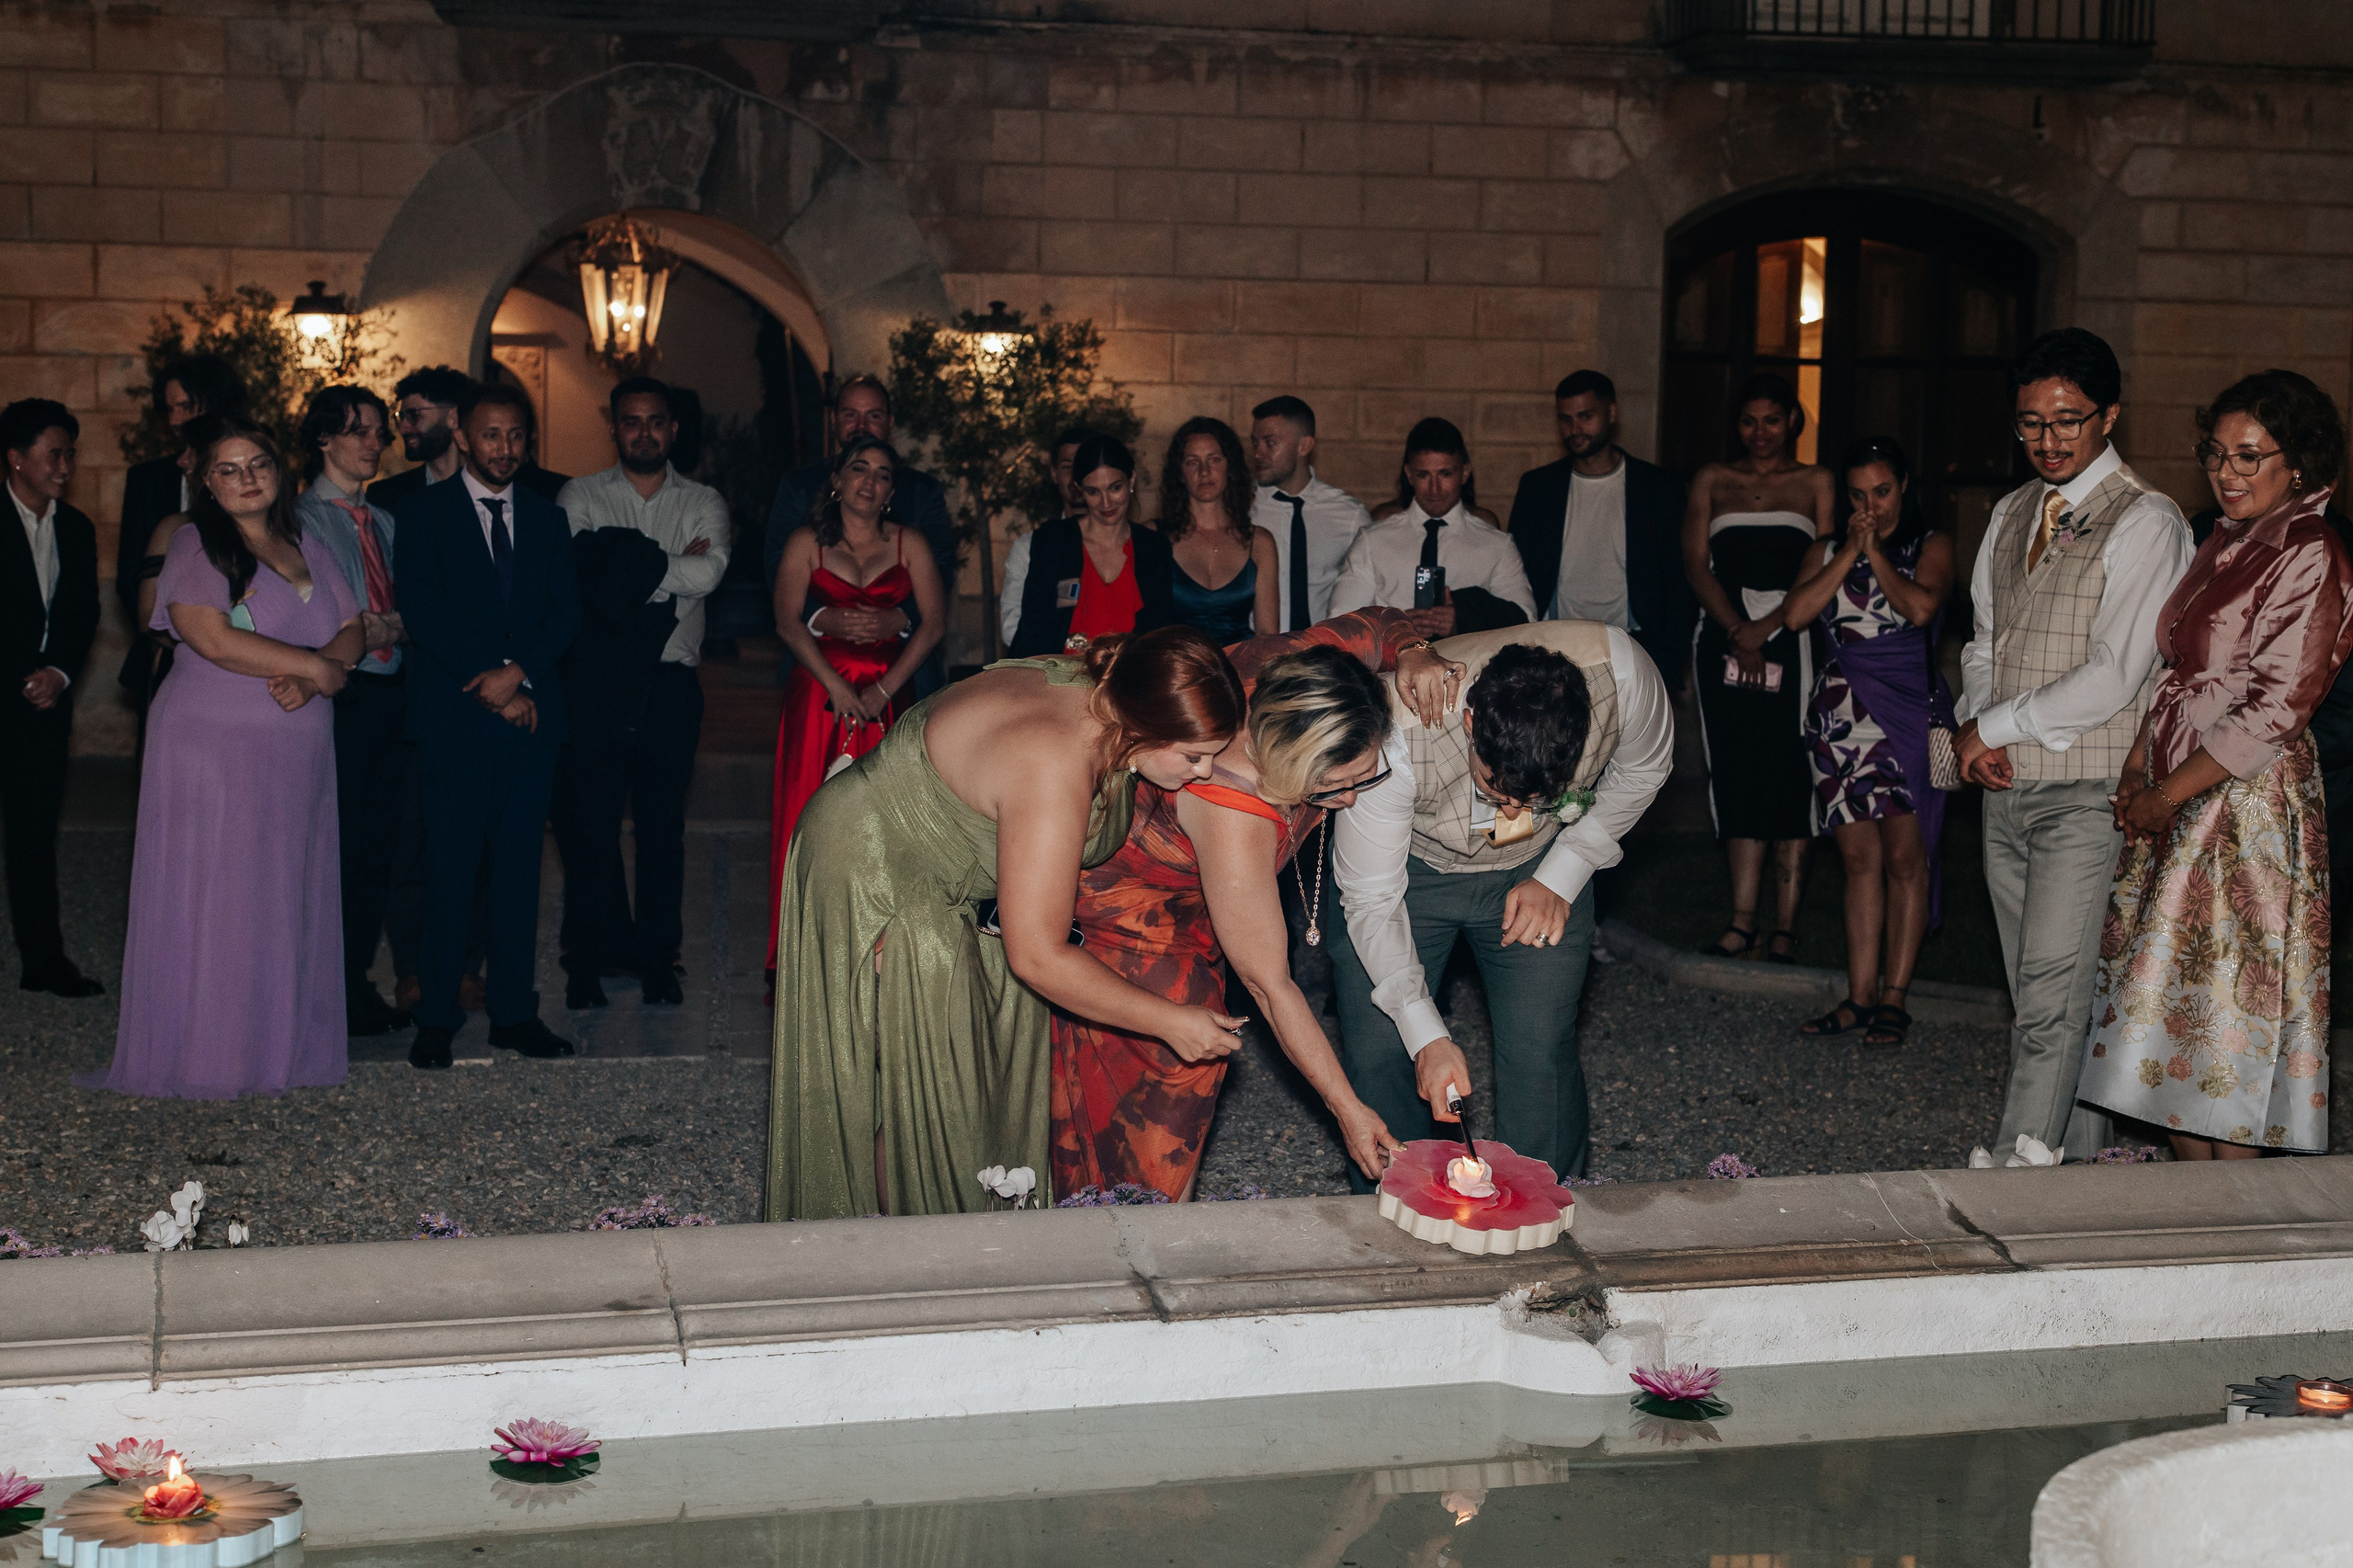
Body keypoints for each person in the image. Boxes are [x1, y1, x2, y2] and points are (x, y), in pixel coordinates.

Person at [766, 626, 1251, 1221]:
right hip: (876, 870)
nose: (1203, 773)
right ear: (1144, 722)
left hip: (937, 874)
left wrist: (1402, 647)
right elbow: (1039, 956)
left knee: (958, 1081)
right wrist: (1171, 1022)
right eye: (1193, 756)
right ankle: (908, 1259)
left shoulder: (1108, 684)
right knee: (918, 1093)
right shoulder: (1054, 763)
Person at [1051, 611, 1464, 1200]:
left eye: (1364, 779)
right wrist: (1347, 1109)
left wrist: (1416, 649)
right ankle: (1135, 1216)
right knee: (1178, 1066)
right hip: (1137, 899)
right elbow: (1271, 985)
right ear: (1285, 759)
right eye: (1334, 784)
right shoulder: (1234, 811)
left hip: (1212, 877)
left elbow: (1376, 626)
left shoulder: (1303, 667)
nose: (1348, 801)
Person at [2077, 370, 2353, 1160]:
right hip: (2174, 788)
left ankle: (2237, 1229)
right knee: (2164, 1018)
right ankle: (2189, 1215)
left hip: (2241, 801)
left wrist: (2167, 793)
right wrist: (2137, 771)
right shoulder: (2224, 538)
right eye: (2216, 454)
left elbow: (2277, 706)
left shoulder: (2310, 550)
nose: (2227, 473)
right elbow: (2174, 673)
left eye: (2249, 457)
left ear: (2296, 464)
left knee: (2227, 1023)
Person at [1955, 327, 2194, 1167]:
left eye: (2067, 421)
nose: (2048, 441)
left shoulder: (2148, 520)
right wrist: (1978, 719)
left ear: (2109, 415)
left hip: (2088, 791)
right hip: (2007, 789)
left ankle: (2015, 1168)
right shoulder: (2011, 511)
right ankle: (2087, 1171)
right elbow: (1985, 637)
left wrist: (1997, 725)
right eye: (2031, 423)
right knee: (2041, 995)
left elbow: (2117, 672)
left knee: (2052, 1000)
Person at [1329, 622, 1676, 1182]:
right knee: (1380, 1048)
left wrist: (1563, 873)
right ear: (1469, 722)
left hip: (1541, 866)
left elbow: (1644, 769)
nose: (1513, 807)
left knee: (1540, 1049)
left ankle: (1542, 1204)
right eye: (1497, 789)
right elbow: (1372, 898)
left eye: (1534, 795)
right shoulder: (1393, 729)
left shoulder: (1627, 679)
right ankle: (1394, 1202)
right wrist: (1429, 1037)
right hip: (1413, 874)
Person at [84, 417, 363, 1096]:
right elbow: (207, 638)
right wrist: (315, 667)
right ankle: (212, 1054)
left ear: (279, 470)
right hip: (213, 745)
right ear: (206, 482)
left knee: (283, 892)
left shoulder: (307, 543)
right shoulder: (192, 544)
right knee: (223, 895)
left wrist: (323, 671)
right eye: (228, 469)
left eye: (258, 464)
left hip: (297, 752)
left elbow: (353, 626)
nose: (246, 479)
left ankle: (280, 1046)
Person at [392, 382, 582, 1070]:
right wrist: (495, 684)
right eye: (492, 435)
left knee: (517, 874)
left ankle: (513, 1014)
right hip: (454, 720)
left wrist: (520, 671)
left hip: (531, 723)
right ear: (464, 438)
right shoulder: (421, 515)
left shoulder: (546, 518)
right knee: (449, 871)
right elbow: (424, 610)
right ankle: (436, 1016)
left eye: (517, 436)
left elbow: (565, 615)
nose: (505, 448)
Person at [552, 376, 732, 1010]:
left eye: (656, 421)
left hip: (670, 686)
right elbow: (580, 579)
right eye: (631, 421)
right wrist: (665, 569)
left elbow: (709, 572)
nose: (644, 432)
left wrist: (621, 569)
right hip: (597, 687)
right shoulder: (580, 494)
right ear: (615, 427)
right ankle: (586, 961)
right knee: (589, 830)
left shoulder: (705, 499)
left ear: (673, 429)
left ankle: (659, 958)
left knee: (662, 832)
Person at [1781, 437, 1958, 1048]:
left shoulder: (1929, 544)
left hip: (1904, 716)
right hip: (1839, 718)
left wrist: (1877, 555)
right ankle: (1859, 996)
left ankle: (1894, 996)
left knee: (1906, 860)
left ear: (1903, 487)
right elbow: (1798, 615)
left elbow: (1920, 608)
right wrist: (1847, 554)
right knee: (1858, 861)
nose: (1870, 504)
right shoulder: (1824, 548)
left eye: (1881, 491)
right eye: (1858, 494)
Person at [765, 437, 947, 971]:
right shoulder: (806, 543)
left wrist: (886, 688)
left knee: (888, 824)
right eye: (860, 469)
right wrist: (837, 687)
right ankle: (804, 949)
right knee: (809, 817)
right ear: (837, 481)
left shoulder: (909, 542)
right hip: (820, 699)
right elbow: (786, 621)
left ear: (892, 490)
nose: (870, 481)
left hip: (891, 699)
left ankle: (884, 951)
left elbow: (934, 623)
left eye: (884, 474)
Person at [1683, 372, 1835, 964]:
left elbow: (1820, 561)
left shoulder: (1815, 481)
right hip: (1723, 633)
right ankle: (1743, 919)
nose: (1761, 432)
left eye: (1773, 419)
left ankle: (1786, 926)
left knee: (1791, 773)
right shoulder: (1712, 480)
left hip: (1792, 637)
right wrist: (1735, 631)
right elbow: (1696, 563)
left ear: (1792, 421)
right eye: (1749, 420)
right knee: (1737, 771)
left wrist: (1768, 627)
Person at [293, 386, 417, 1036]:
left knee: (375, 849)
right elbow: (344, 623)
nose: (374, 443)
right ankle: (325, 988)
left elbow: (398, 620)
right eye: (359, 431)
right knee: (334, 847)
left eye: (378, 432)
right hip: (343, 694)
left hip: (389, 694)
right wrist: (384, 627)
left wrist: (387, 627)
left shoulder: (386, 522)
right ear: (323, 439)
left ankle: (353, 982)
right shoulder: (303, 521)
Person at [764, 374, 957, 698]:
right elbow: (775, 564)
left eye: (874, 416)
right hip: (817, 667)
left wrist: (902, 618)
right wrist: (819, 617)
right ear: (834, 419)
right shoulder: (799, 485)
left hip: (904, 670)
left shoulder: (921, 491)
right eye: (850, 414)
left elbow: (941, 567)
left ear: (890, 422)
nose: (861, 425)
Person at [1, 400, 102, 997]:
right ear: (16, 459)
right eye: (54, 453)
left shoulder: (77, 528)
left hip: (42, 710)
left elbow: (81, 613)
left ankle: (44, 962)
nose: (65, 465)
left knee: (35, 839)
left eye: (70, 453)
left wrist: (60, 673)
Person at [1507, 369, 1694, 688]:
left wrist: (1667, 661)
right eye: (1565, 419)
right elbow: (1515, 576)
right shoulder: (1538, 488)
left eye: (1585, 416)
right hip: (1553, 652)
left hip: (1636, 650)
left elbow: (1680, 580)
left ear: (1611, 412)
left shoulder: (1660, 488)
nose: (1574, 429)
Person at [118, 355, 245, 710]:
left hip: (243, 656)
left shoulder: (256, 483)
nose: (174, 420)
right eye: (169, 409)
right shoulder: (148, 480)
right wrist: (175, 641)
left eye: (185, 407)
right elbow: (131, 578)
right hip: (167, 656)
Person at [1330, 417, 1536, 639]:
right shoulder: (1373, 541)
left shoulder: (1497, 545)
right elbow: (1340, 623)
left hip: (1470, 669)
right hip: (1391, 670)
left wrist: (1464, 618)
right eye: (1423, 475)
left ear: (1464, 473)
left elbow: (1527, 621)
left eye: (1445, 474)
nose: (1434, 489)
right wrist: (1395, 627)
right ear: (1409, 475)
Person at [1005, 434, 1176, 656]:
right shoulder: (1053, 542)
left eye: (1115, 488)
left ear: (1131, 480)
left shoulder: (1153, 547)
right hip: (1057, 679)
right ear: (1078, 488)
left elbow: (1160, 635)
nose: (1106, 503)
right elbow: (1036, 632)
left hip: (1132, 681)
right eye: (1093, 492)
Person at [1249, 396, 1370, 632]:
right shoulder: (1244, 509)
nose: (1258, 453)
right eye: (1255, 443)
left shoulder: (1349, 515)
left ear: (1304, 446)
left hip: (1323, 655)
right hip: (1256, 651)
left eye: (1270, 443)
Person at [1159, 416, 1279, 646]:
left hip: (1240, 675)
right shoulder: (1156, 537)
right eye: (1193, 462)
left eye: (1214, 460)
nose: (1204, 472)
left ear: (1229, 466)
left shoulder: (1260, 542)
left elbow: (1267, 635)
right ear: (1179, 472)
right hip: (1177, 673)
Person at [997, 423, 1104, 650]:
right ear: (1054, 473)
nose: (1077, 477)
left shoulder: (1128, 542)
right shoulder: (1031, 546)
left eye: (1086, 466)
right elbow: (1011, 627)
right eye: (1068, 467)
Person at [368, 366, 472, 515]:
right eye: (400, 418)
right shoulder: (386, 496)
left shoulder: (490, 488)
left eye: (413, 415)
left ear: (453, 418)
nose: (403, 428)